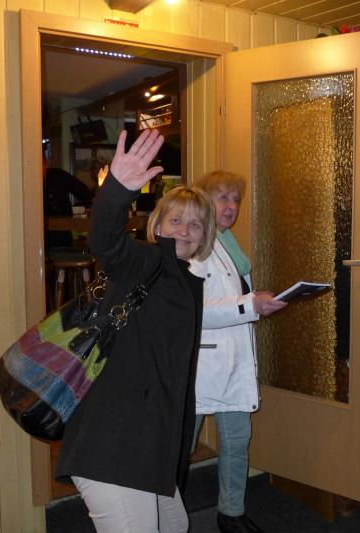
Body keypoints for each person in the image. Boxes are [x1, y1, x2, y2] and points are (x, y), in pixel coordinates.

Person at [55, 129, 217, 533]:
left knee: (176, 526)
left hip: (146, 441)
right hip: (112, 442)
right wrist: (117, 189)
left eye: (195, 225)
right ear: (156, 225)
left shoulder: (186, 279)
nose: (184, 230)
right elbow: (105, 241)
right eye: (175, 220)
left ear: (205, 235)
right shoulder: (144, 263)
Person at [187, 170, 287, 533]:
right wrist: (250, 305)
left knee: (237, 438)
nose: (231, 206)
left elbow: (236, 299)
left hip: (233, 359)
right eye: (222, 198)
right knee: (181, 447)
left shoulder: (229, 245)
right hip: (199, 363)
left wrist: (256, 304)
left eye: (235, 199)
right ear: (203, 201)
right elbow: (195, 311)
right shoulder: (193, 245)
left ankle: (231, 513)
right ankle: (163, 514)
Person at [43, 157, 93, 249]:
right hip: (42, 239)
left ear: (46, 164)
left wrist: (89, 207)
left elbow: (84, 192)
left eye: (42, 164)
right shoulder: (31, 183)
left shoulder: (58, 175)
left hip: (64, 236)